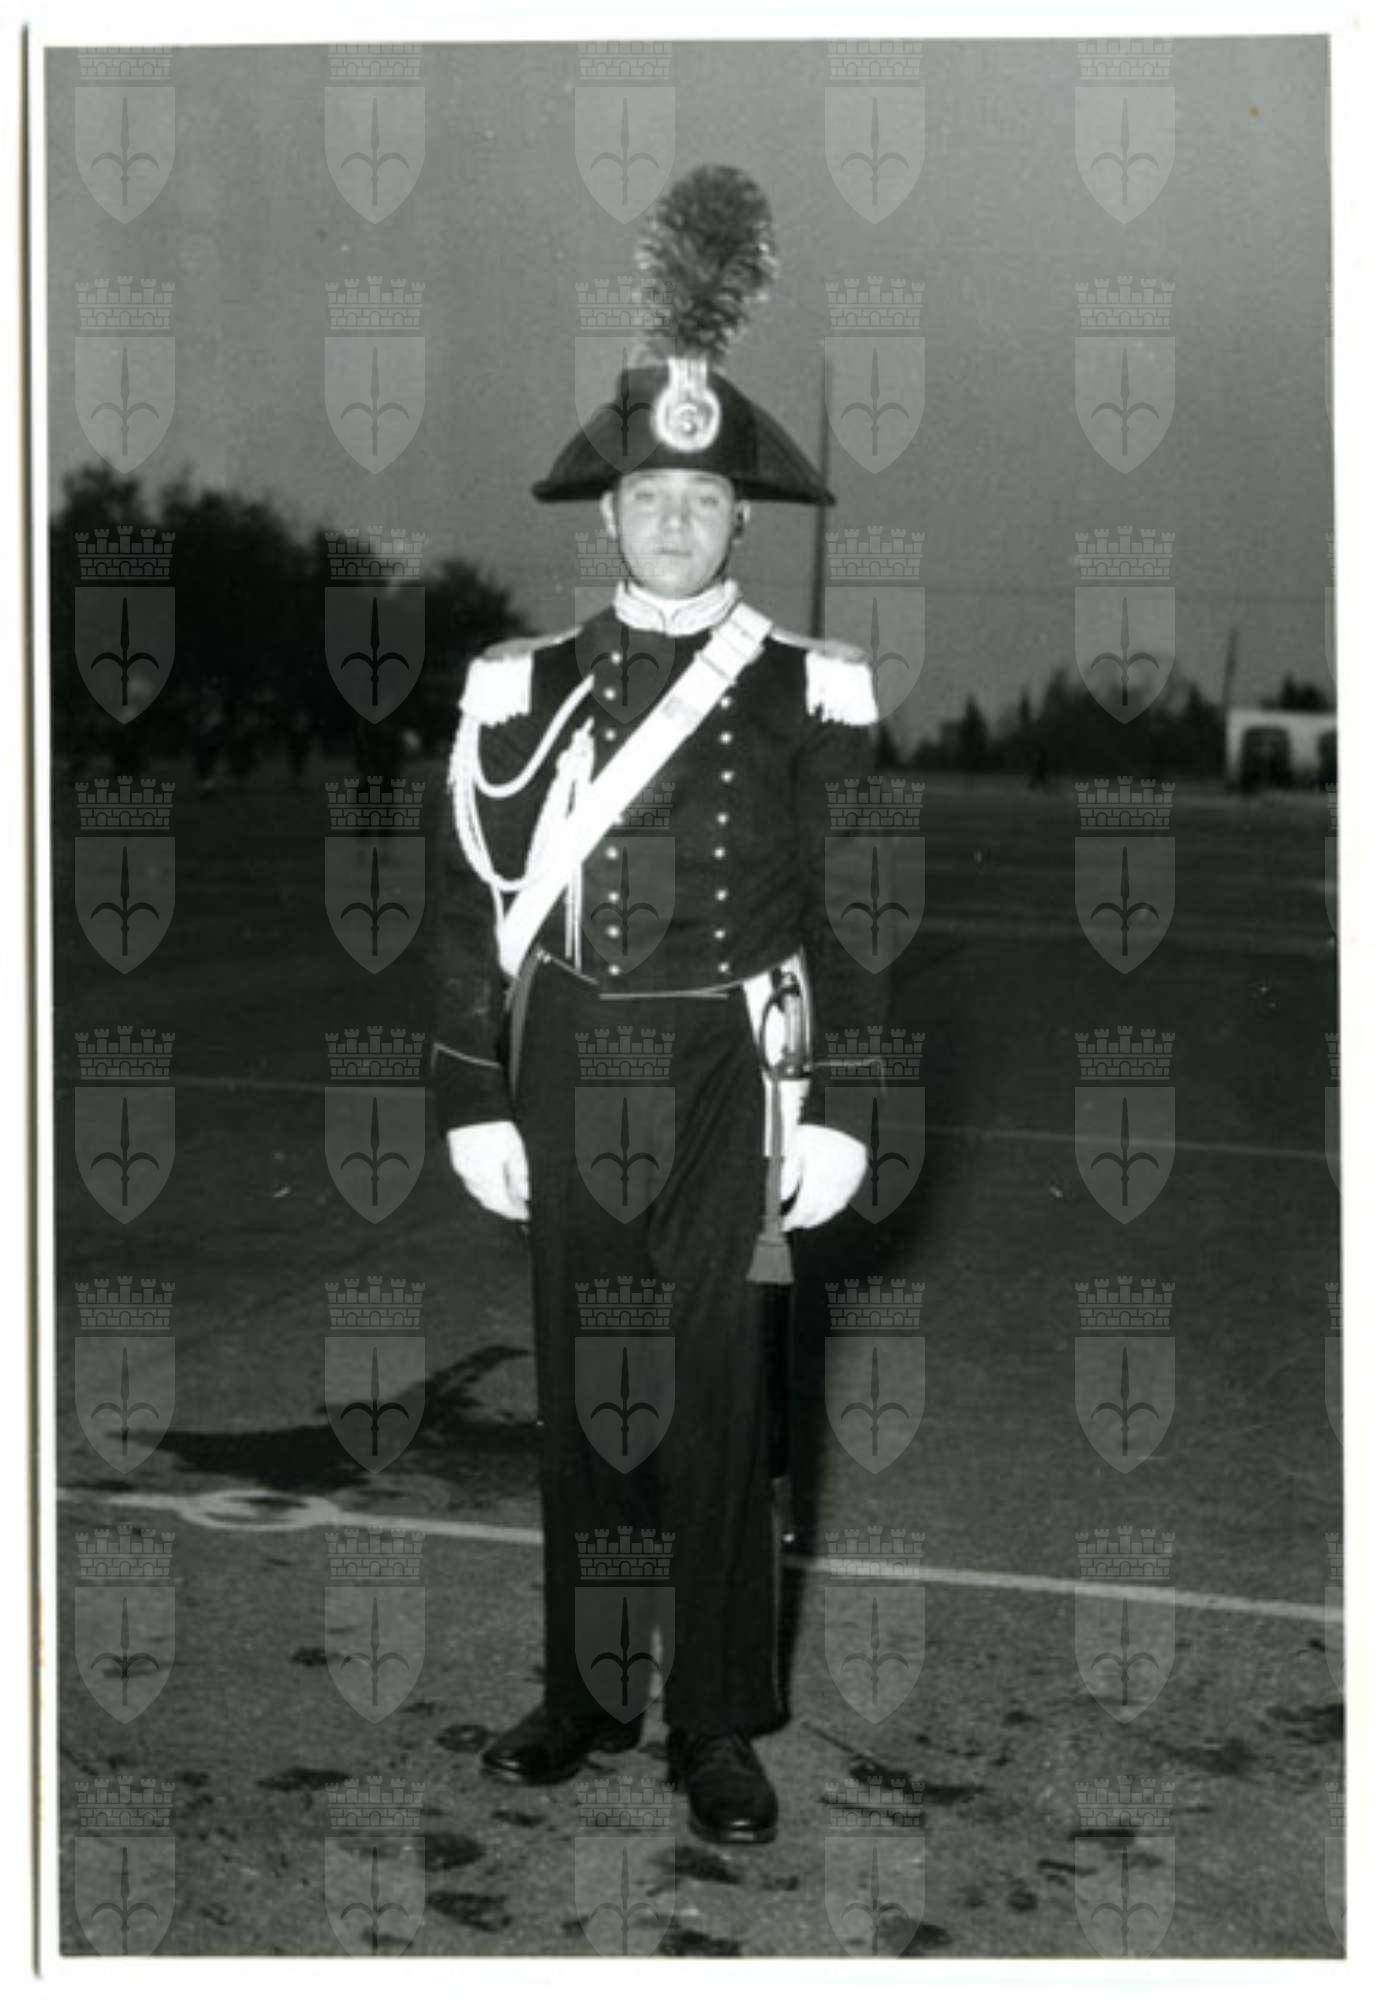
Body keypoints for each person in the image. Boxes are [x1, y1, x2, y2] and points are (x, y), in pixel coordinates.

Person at [429, 167, 888, 1845]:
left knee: (722, 1386)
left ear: (740, 521)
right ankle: (583, 1692)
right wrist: (471, 1093)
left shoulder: (811, 692)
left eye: (703, 496)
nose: (676, 519)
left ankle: (714, 1722)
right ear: (607, 517)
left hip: (733, 1074)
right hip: (571, 1056)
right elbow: (465, 900)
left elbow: (862, 915)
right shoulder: (522, 688)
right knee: (586, 1381)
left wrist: (843, 1114)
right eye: (649, 494)